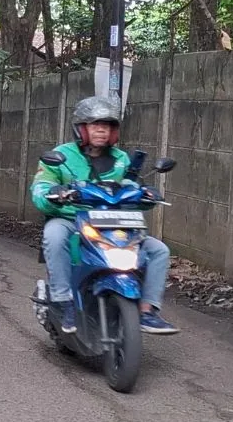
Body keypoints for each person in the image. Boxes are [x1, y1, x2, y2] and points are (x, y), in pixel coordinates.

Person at [30, 95, 179, 335]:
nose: (102, 130)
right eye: (95, 124)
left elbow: (129, 191)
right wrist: (52, 192)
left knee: (158, 250)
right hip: (72, 219)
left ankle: (147, 311)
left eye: (107, 125)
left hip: (112, 223)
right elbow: (40, 188)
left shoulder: (121, 160)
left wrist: (146, 194)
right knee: (54, 235)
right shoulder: (61, 156)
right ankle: (62, 300)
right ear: (81, 128)